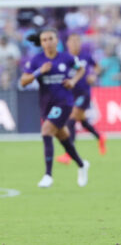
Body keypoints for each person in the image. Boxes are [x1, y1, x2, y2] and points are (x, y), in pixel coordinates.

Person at [20, 28, 90, 188]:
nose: (48, 42)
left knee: (46, 131)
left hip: (64, 102)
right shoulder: (37, 60)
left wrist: (72, 81)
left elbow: (81, 69)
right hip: (46, 105)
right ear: (42, 43)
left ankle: (48, 175)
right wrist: (39, 72)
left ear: (56, 40)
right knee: (62, 136)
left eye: (50, 38)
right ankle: (81, 164)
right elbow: (23, 81)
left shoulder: (66, 58)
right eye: (44, 40)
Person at [56, 33, 106, 164]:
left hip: (84, 93)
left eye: (77, 41)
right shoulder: (65, 58)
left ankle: (68, 153)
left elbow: (97, 67)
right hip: (71, 94)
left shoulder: (86, 56)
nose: (75, 44)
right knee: (82, 121)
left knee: (71, 120)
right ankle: (100, 137)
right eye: (72, 42)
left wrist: (93, 75)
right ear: (67, 44)